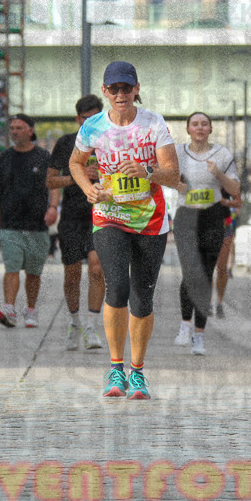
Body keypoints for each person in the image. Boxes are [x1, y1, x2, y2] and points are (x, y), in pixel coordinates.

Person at [70, 61, 180, 399]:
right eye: (114, 88)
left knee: (142, 297)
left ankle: (138, 371)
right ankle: (116, 369)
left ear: (136, 89)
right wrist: (88, 188)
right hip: (110, 215)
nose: (121, 94)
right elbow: (76, 162)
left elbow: (173, 175)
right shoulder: (93, 127)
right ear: (105, 91)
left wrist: (147, 171)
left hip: (149, 219)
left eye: (126, 88)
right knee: (116, 287)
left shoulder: (153, 123)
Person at [172, 112, 240, 355]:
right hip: (186, 217)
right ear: (188, 129)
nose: (199, 128)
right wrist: (175, 183)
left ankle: (199, 336)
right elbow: (161, 176)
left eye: (204, 124)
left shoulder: (222, 154)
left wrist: (219, 174)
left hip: (212, 216)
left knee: (204, 275)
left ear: (210, 129)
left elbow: (235, 188)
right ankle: (184, 325)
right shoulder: (177, 152)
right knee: (191, 272)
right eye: (195, 124)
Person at [0, 113, 59, 328]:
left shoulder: (44, 157)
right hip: (10, 224)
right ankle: (9, 308)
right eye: (12, 128)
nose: (14, 132)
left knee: (34, 272)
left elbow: (53, 184)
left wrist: (53, 207)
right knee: (12, 268)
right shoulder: (4, 158)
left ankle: (31, 310)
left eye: (19, 128)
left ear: (30, 131)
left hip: (37, 225)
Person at [47, 94, 106, 351]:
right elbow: (50, 181)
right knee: (72, 274)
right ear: (77, 119)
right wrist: (78, 176)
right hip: (72, 215)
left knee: (96, 267)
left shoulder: (111, 141)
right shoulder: (66, 143)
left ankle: (92, 326)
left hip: (101, 213)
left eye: (95, 118)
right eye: (85, 119)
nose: (90, 123)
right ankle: (74, 322)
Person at [212, 188, 242, 319]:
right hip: (206, 225)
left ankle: (219, 303)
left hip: (225, 224)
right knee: (207, 267)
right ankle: (208, 302)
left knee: (222, 268)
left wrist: (225, 202)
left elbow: (238, 202)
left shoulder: (228, 180)